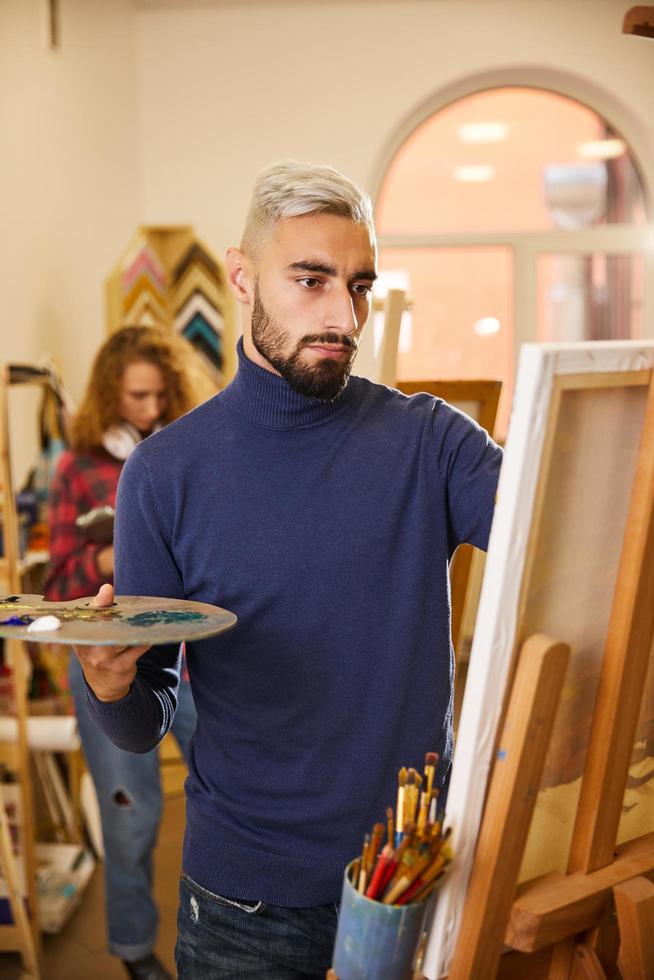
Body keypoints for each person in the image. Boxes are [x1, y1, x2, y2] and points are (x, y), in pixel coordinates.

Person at [72, 162, 503, 979]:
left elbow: (571, 538)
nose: (344, 314)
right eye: (311, 279)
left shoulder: (431, 443)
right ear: (243, 276)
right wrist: (108, 684)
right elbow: (147, 716)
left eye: (360, 285)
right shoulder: (165, 476)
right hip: (244, 906)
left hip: (410, 879)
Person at [45, 325, 216, 980]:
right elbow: (59, 586)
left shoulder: (193, 455)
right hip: (106, 663)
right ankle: (134, 950)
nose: (149, 411)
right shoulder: (78, 467)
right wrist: (117, 555)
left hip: (199, 660)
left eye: (161, 395)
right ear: (108, 395)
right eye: (136, 397)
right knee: (131, 814)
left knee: (229, 792)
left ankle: (227, 931)